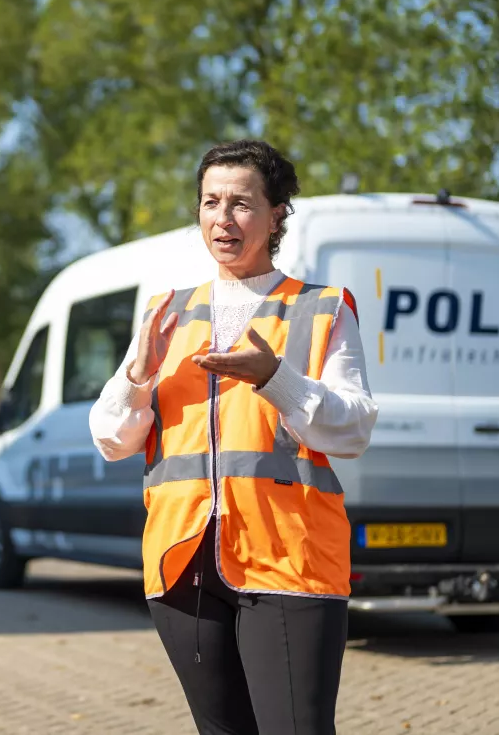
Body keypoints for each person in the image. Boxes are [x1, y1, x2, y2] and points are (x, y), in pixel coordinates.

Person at [89, 139, 378, 735]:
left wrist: (276, 378)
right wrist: (139, 375)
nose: (223, 218)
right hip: (182, 564)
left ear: (276, 216)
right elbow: (112, 439)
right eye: (210, 202)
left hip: (290, 562)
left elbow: (352, 429)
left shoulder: (321, 309)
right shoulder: (166, 312)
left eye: (242, 203)